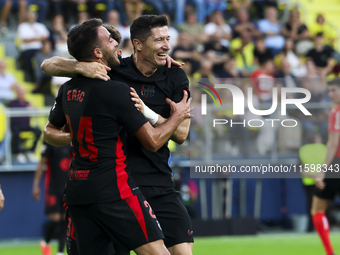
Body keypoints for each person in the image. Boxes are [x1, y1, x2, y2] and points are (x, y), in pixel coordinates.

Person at [41, 15, 194, 255]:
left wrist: (148, 112)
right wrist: (79, 66)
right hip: (119, 184)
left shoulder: (174, 74)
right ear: (139, 44)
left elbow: (182, 133)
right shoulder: (114, 72)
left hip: (156, 180)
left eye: (167, 39)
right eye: (158, 40)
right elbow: (47, 65)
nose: (166, 45)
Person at [310, 78, 340, 255]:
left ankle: (329, 252)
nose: (330, 94)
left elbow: (333, 143)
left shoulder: (336, 111)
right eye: (329, 91)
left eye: (334, 90)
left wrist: (322, 171)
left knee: (317, 208)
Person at [32, 142, 70, 255]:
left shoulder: (71, 139)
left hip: (68, 187)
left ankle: (60, 252)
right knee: (55, 218)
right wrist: (35, 186)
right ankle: (45, 242)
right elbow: (41, 164)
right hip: (53, 187)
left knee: (65, 219)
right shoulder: (50, 142)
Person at [9, 87, 42, 163]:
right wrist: (26, 108)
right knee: (16, 132)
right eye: (20, 92)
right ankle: (17, 153)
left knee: (38, 131)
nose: (21, 94)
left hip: (26, 126)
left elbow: (35, 110)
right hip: (15, 126)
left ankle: (30, 151)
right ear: (17, 93)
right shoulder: (13, 103)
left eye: (22, 93)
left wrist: (34, 108)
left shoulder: (28, 103)